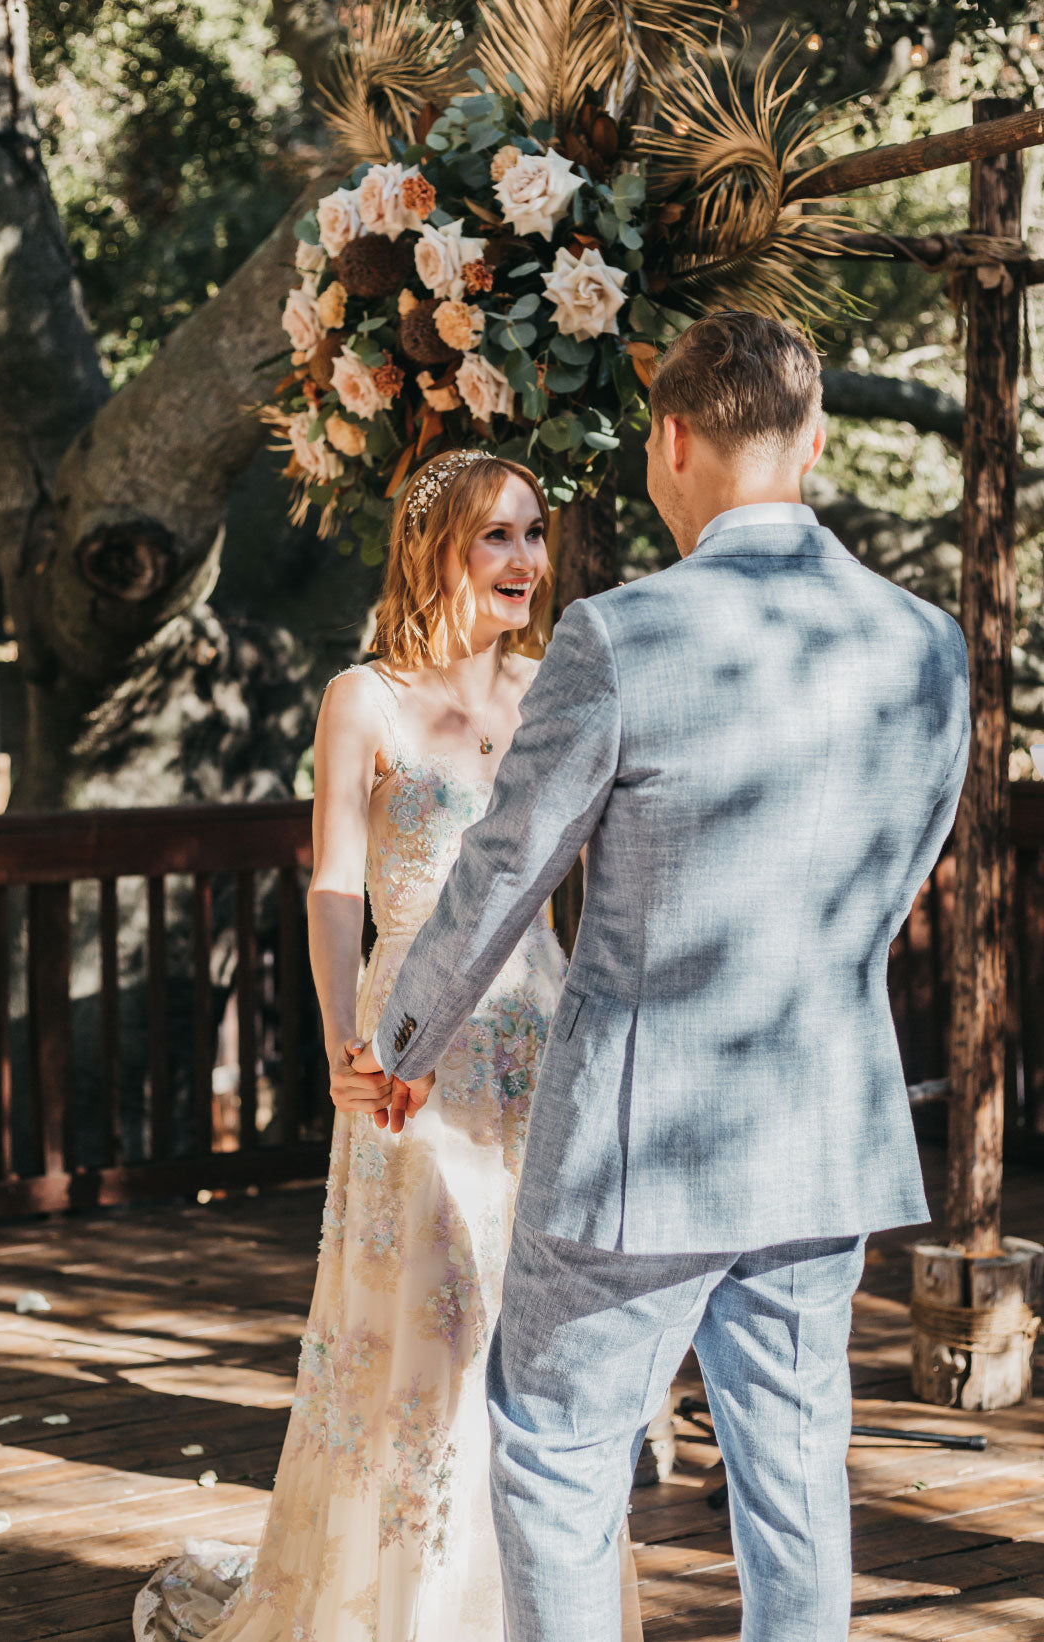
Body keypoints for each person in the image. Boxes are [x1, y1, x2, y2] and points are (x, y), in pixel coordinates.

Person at [351, 311, 972, 1642]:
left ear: (670, 440)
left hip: (639, 1149)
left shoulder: (621, 637)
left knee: (562, 1456)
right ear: (812, 440)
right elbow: (902, 871)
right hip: (824, 1126)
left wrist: (398, 1036)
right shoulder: (928, 642)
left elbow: (504, 869)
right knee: (797, 1474)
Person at [133, 448, 643, 1642]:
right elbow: (337, 887)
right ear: (437, 549)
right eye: (498, 537)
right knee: (428, 1324)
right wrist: (339, 1039)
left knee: (531, 1321)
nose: (527, 559)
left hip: (537, 1038)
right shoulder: (363, 697)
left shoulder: (553, 691)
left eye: (532, 534)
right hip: (410, 1047)